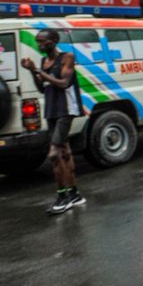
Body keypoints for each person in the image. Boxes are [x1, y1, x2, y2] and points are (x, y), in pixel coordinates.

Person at [21, 29, 85, 215]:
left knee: (53, 154)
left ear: (55, 41)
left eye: (44, 42)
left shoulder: (67, 57)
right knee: (64, 152)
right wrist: (33, 72)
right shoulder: (44, 62)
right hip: (52, 110)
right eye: (38, 42)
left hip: (66, 110)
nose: (40, 45)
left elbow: (64, 83)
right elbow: (42, 88)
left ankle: (62, 197)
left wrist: (37, 70)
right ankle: (74, 194)